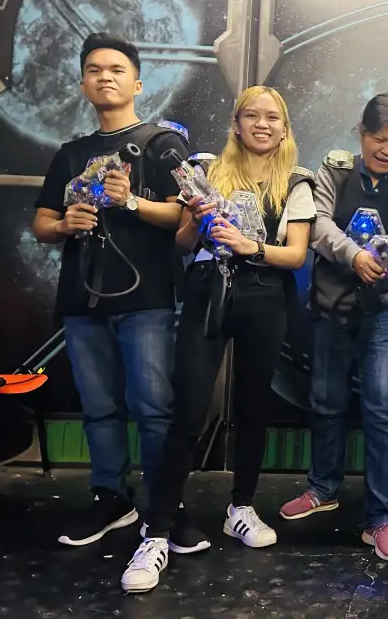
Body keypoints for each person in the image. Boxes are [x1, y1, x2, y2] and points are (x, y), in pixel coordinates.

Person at [120, 85, 315, 592]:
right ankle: (156, 530)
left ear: (285, 126)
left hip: (265, 293)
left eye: (273, 117)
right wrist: (201, 222)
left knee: (254, 408)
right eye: (252, 115)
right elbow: (183, 243)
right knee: (187, 410)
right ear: (236, 123)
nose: (262, 124)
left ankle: (242, 507)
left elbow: (295, 256)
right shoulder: (205, 171)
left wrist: (250, 244)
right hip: (209, 287)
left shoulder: (297, 180)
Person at [33, 33, 188, 547]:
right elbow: (41, 220)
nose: (105, 76)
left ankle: (164, 507)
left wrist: (132, 203)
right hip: (82, 298)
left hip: (146, 299)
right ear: (82, 84)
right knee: (98, 407)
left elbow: (185, 215)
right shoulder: (71, 153)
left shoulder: (161, 143)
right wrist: (64, 225)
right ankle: (110, 498)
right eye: (95, 69)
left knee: (153, 407)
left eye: (116, 69)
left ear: (137, 82)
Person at [279, 94, 388, 562]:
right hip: (331, 305)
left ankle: (382, 518)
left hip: (387, 309)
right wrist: (354, 255)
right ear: (362, 134)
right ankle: (322, 488)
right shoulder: (336, 169)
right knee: (326, 402)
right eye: (380, 140)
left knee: (385, 411)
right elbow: (318, 222)